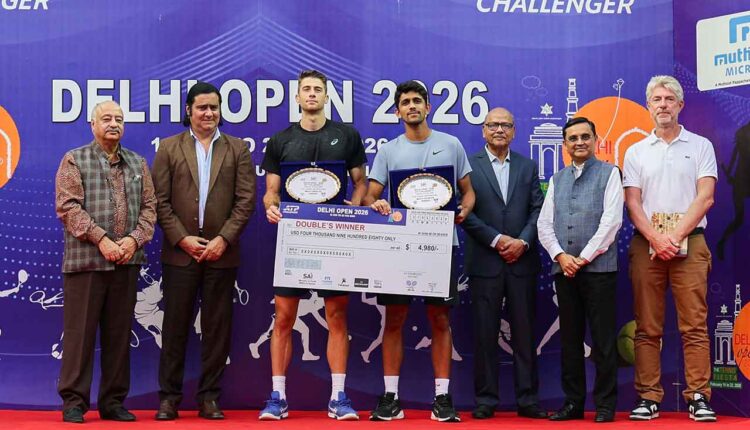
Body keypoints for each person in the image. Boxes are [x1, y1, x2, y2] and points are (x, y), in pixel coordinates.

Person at [363, 80, 475, 422]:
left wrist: (465, 209)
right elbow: (370, 195)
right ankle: (391, 398)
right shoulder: (388, 151)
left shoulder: (451, 144)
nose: (412, 106)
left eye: (417, 101)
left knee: (440, 320)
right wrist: (377, 203)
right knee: (394, 320)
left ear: (428, 107)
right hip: (400, 246)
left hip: (441, 245)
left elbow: (468, 192)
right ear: (397, 112)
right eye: (405, 102)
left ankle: (442, 399)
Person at [260, 70, 367, 421]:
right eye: (306, 89)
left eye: (318, 90)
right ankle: (278, 397)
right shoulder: (281, 140)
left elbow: (360, 182)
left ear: (326, 97)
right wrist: (271, 207)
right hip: (295, 239)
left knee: (336, 316)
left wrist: (356, 208)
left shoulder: (347, 136)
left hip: (334, 238)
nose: (311, 94)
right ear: (297, 97)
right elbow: (271, 191)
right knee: (284, 318)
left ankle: (338, 397)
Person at [152, 82, 256, 420]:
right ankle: (169, 398)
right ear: (189, 111)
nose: (208, 113)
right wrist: (182, 238)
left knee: (217, 328)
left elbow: (245, 201)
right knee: (175, 328)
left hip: (221, 253)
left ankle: (210, 397)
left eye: (214, 107)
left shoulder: (237, 149)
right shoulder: (169, 147)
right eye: (202, 108)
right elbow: (159, 202)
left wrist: (223, 239)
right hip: (180, 253)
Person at [55, 100, 157, 423]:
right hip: (86, 264)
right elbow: (68, 208)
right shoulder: (75, 159)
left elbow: (150, 208)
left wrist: (133, 240)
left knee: (118, 336)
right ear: (93, 124)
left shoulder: (138, 163)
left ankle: (113, 402)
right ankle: (74, 402)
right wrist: (102, 239)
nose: (114, 124)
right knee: (79, 337)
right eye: (107, 119)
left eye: (119, 119)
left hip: (126, 262)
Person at [623, 75, 717, 422]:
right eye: (656, 100)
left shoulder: (701, 146)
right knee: (647, 327)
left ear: (680, 105)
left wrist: (673, 237)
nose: (663, 105)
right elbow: (633, 203)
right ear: (648, 106)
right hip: (646, 245)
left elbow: (705, 197)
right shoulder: (635, 151)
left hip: (690, 243)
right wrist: (656, 238)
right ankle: (648, 397)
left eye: (669, 99)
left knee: (694, 325)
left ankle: (698, 397)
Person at [461, 107, 547, 420]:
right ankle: (486, 399)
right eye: (493, 125)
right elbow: (464, 212)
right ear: (483, 130)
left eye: (506, 125)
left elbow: (538, 209)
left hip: (522, 262)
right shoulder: (468, 166)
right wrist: (497, 240)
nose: (499, 130)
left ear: (514, 131)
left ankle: (528, 399)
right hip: (486, 262)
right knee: (485, 334)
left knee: (525, 334)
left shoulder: (527, 166)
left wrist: (522, 241)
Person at [537, 117, 623, 423]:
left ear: (596, 140)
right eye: (573, 138)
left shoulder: (610, 173)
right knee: (570, 341)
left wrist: (582, 258)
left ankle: (605, 405)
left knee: (603, 340)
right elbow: (544, 224)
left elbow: (612, 221)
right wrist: (561, 256)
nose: (579, 142)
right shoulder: (556, 179)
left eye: (585, 136)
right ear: (565, 145)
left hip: (599, 271)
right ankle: (573, 403)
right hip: (564, 271)